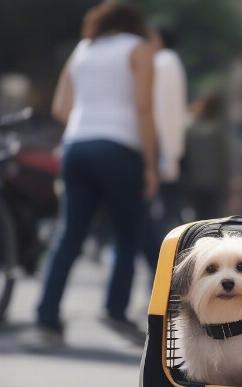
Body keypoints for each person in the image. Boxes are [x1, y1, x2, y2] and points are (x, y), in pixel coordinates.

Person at [32, 2, 156, 345]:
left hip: (76, 145)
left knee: (68, 235)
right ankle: (115, 312)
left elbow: (61, 107)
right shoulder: (139, 49)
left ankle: (47, 318)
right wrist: (150, 164)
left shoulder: (83, 49)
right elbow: (144, 108)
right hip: (120, 146)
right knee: (126, 234)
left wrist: (90, 115)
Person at [142, 24, 188, 270]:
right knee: (163, 217)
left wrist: (165, 156)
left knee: (157, 221)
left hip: (159, 150)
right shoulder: (172, 61)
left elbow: (161, 111)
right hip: (167, 151)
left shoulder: (162, 62)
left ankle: (162, 273)